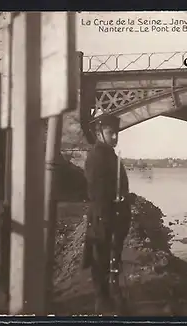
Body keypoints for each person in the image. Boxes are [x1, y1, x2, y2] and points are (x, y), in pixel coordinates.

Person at [81, 114, 133, 314]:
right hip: (103, 216)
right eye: (111, 133)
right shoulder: (96, 156)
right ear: (99, 133)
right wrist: (108, 216)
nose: (115, 137)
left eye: (117, 133)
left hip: (115, 215)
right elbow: (96, 191)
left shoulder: (111, 155)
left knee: (112, 257)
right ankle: (102, 301)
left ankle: (111, 294)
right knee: (101, 258)